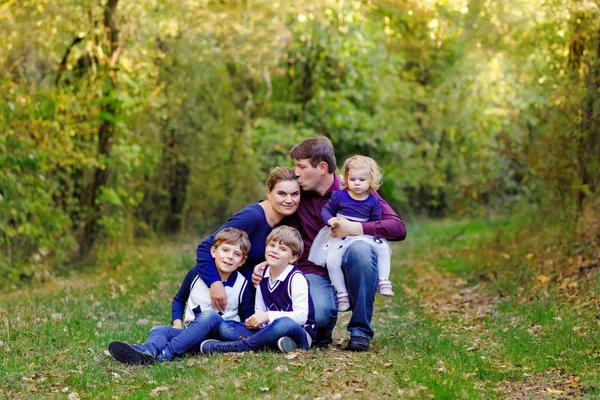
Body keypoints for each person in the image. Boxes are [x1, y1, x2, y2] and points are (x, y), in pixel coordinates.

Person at [263, 135, 406, 352]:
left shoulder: (356, 190)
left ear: (322, 167)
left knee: (362, 249)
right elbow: (265, 218)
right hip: (312, 271)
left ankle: (360, 332)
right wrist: (260, 261)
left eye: (301, 166)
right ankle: (322, 328)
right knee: (320, 313)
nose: (297, 172)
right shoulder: (296, 193)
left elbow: (398, 228)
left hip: (349, 267)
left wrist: (355, 228)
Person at [107, 228, 253, 365]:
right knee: (159, 329)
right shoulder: (196, 274)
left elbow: (247, 320)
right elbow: (179, 300)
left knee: (209, 316)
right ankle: (147, 350)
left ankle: (167, 352)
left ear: (242, 261)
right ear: (213, 251)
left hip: (216, 339)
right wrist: (177, 324)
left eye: (237, 254)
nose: (229, 257)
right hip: (189, 335)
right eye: (225, 250)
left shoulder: (242, 284)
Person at [195, 166, 300, 314]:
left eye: (294, 194)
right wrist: (215, 283)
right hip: (227, 295)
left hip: (253, 296)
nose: (289, 200)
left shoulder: (287, 222)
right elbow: (205, 247)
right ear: (269, 193)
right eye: (282, 194)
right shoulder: (252, 217)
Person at [200, 226, 316, 354]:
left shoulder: (296, 278)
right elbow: (260, 310)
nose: (275, 251)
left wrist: (267, 316)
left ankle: (238, 347)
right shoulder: (262, 275)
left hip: (299, 331)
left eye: (282, 249)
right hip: (268, 330)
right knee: (225, 327)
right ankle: (275, 344)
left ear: (293, 258)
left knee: (283, 323)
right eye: (272, 245)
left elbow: (301, 317)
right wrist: (255, 321)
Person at [309, 155, 394, 312]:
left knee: (382, 248)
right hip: (340, 235)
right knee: (332, 261)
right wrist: (330, 220)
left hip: (362, 235)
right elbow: (326, 210)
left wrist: (361, 230)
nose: (356, 183)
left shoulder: (373, 201)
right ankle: (341, 293)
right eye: (352, 179)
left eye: (362, 180)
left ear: (370, 180)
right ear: (346, 178)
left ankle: (383, 280)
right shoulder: (339, 196)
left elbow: (375, 222)